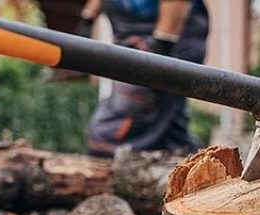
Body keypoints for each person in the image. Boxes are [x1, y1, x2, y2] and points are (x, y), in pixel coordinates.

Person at [77, 0, 210, 157]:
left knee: (113, 127)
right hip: (133, 43)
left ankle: (103, 167)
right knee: (170, 131)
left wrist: (162, 48)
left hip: (169, 43)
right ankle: (195, 170)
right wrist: (88, 19)